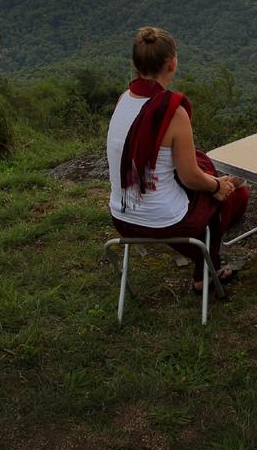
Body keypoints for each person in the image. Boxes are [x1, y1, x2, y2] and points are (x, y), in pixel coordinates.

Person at [106, 26, 248, 289]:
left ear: (135, 64)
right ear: (172, 64)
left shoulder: (123, 100)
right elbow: (190, 177)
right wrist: (218, 185)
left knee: (206, 176)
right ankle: (204, 273)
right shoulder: (173, 113)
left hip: (123, 220)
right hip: (168, 224)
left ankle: (203, 260)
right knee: (235, 196)